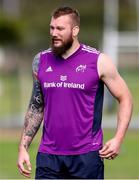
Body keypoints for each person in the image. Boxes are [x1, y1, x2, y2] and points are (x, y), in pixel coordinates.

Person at [17, 6, 133, 179]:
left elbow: (126, 98)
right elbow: (36, 106)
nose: (54, 33)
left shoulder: (98, 61)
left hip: (86, 157)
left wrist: (118, 138)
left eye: (60, 29)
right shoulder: (40, 60)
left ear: (75, 30)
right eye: (52, 28)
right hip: (49, 157)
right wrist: (23, 147)